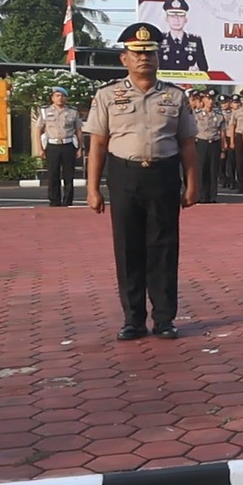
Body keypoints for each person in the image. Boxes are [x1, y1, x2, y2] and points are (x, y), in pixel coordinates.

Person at [84, 22, 198, 341]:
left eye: (150, 52)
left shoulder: (175, 96)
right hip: (124, 176)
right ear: (125, 59)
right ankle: (133, 319)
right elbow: (98, 143)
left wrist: (192, 183)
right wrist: (92, 189)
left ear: (158, 57)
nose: (144, 58)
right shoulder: (107, 95)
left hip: (163, 175)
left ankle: (164, 318)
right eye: (137, 53)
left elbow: (188, 143)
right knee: (128, 248)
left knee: (163, 248)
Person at [34, 86, 83, 207]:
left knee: (69, 175)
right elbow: (38, 130)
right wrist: (40, 148)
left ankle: (68, 201)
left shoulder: (72, 111)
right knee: (53, 175)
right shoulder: (45, 111)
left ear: (66, 98)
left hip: (68, 145)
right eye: (57, 95)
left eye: (62, 96)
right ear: (52, 98)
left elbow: (79, 131)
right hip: (52, 146)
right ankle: (54, 201)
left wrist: (80, 148)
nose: (60, 98)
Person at [158, 0, 209, 73]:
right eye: (172, 16)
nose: (176, 20)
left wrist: (197, 70)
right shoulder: (159, 40)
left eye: (180, 16)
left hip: (188, 83)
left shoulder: (195, 41)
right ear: (166, 19)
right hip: (164, 83)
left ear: (185, 19)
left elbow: (204, 67)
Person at [193, 92, 226, 204]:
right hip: (201, 143)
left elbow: (222, 133)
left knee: (213, 170)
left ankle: (212, 196)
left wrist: (223, 149)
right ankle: (201, 195)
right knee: (201, 170)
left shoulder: (219, 115)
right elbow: (192, 131)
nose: (210, 102)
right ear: (203, 100)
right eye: (208, 99)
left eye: (212, 99)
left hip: (215, 143)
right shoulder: (196, 115)